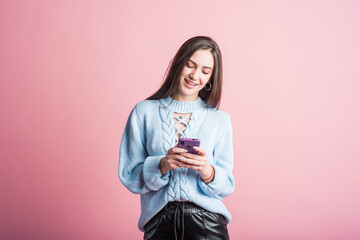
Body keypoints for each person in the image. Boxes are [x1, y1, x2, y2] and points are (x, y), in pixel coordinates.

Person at [118, 36, 235, 240]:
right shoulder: (143, 112)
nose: (195, 75)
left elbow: (227, 185)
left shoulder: (220, 120)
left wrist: (206, 171)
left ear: (210, 79)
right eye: (190, 65)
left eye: (205, 71)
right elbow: (130, 175)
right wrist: (162, 164)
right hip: (159, 224)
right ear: (178, 64)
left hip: (208, 226)